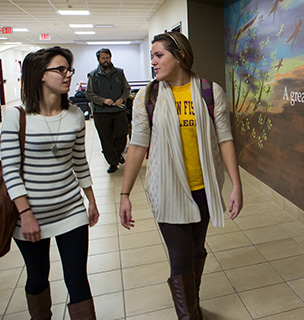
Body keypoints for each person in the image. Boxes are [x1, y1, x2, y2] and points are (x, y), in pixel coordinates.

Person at [119, 32, 243, 319]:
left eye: (158, 55)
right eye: (152, 56)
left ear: (180, 56)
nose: (153, 62)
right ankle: (190, 315)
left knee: (196, 250)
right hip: (167, 190)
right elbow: (137, 145)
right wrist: (124, 194)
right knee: (181, 258)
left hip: (204, 189)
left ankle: (192, 302)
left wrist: (236, 185)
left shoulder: (209, 92)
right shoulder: (147, 96)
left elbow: (224, 139)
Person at [0, 47, 99, 319]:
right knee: (38, 276)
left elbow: (80, 161)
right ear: (40, 76)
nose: (68, 75)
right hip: (31, 218)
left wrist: (90, 199)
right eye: (60, 70)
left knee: (77, 278)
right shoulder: (16, 117)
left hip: (71, 212)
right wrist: (26, 214)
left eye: (69, 69)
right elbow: (9, 170)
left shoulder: (75, 115)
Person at [86, 48, 130, 173]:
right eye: (103, 58)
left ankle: (116, 154)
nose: (106, 60)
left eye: (107, 58)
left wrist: (122, 98)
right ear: (99, 60)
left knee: (122, 134)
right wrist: (103, 101)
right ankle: (113, 162)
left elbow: (127, 89)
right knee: (106, 138)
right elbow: (89, 94)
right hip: (101, 112)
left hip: (118, 110)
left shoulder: (120, 73)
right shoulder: (93, 75)